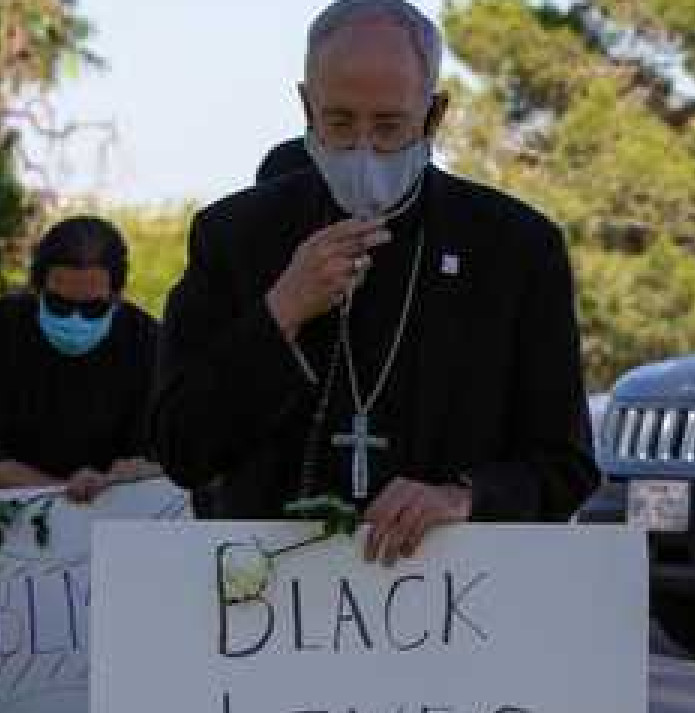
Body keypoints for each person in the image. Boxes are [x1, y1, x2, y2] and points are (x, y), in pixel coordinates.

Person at [150, 0, 599, 564]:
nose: (363, 148)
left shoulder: (515, 248)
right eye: (339, 122)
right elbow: (180, 450)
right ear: (306, 107)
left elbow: (567, 465)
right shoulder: (233, 236)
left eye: (389, 126)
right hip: (270, 611)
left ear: (433, 117)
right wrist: (279, 314)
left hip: (456, 606)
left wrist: (466, 496)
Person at [0, 216, 161, 502]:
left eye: (93, 309)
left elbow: (165, 461)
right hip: (2, 516)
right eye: (60, 305)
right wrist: (65, 497)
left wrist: (132, 476)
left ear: (117, 298)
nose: (75, 319)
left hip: (116, 521)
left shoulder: (148, 344)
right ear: (36, 290)